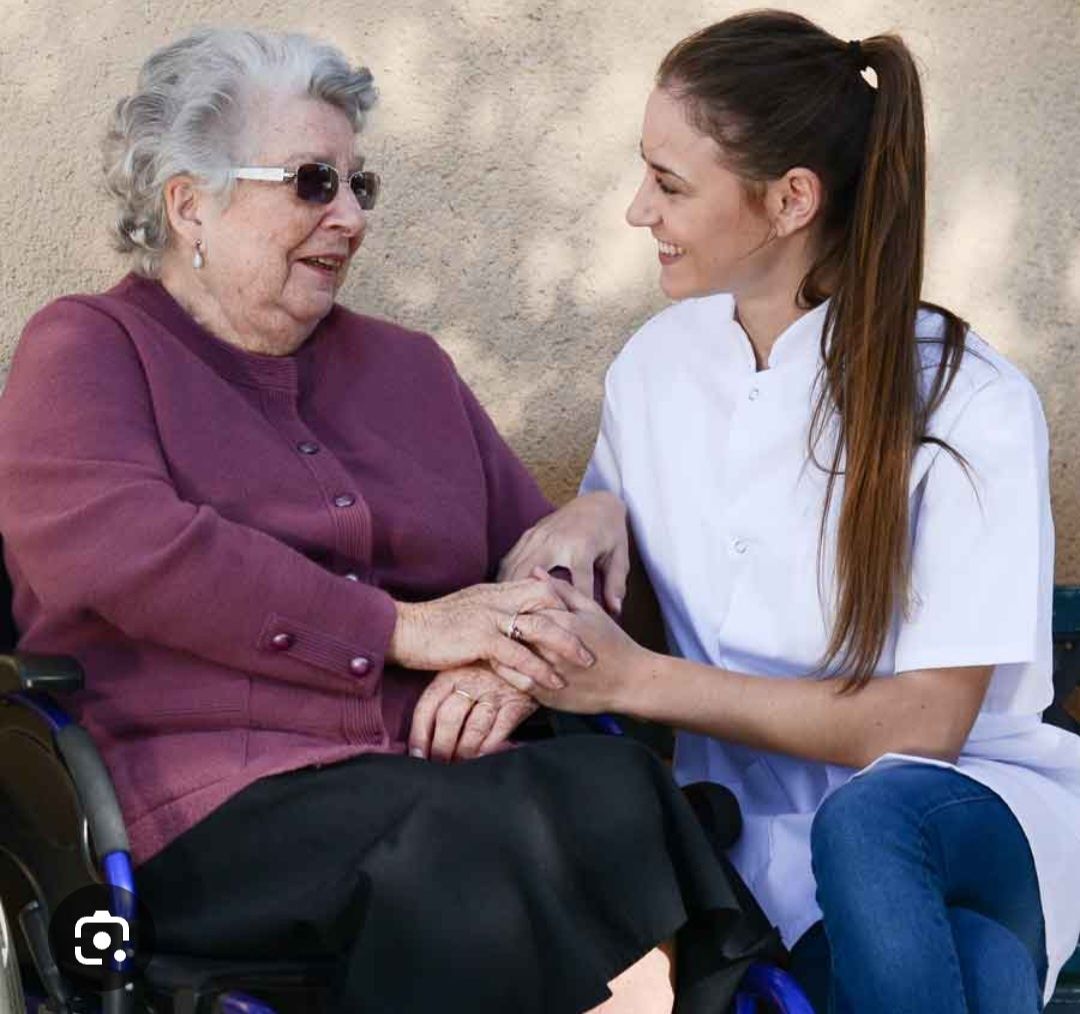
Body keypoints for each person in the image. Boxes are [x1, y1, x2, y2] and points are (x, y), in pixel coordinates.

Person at [0, 28, 772, 1014]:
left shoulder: (411, 371)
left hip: (457, 790)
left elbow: (534, 561)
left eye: (363, 186)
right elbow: (122, 549)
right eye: (314, 183)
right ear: (189, 202)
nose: (352, 216)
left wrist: (509, 659)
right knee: (512, 836)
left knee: (609, 784)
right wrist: (406, 629)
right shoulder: (90, 349)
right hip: (214, 803)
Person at [500, 11, 1080, 1013]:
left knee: (871, 821)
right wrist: (590, 515)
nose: (641, 211)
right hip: (767, 867)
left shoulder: (966, 400)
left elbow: (921, 728)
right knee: (978, 970)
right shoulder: (657, 369)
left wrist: (646, 682)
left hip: (967, 814)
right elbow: (598, 566)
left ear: (789, 201)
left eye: (671, 184)